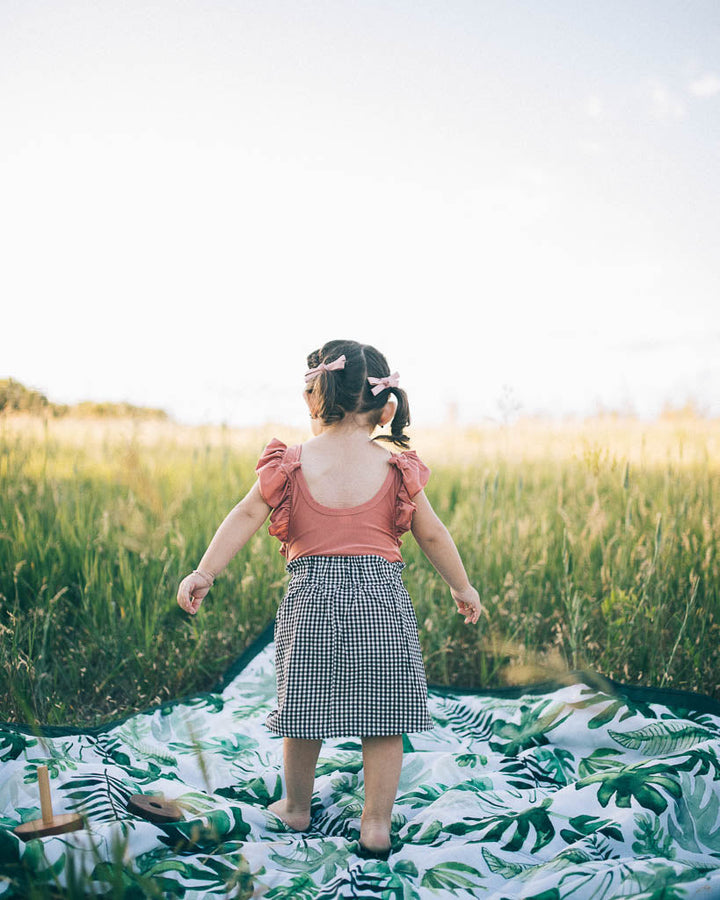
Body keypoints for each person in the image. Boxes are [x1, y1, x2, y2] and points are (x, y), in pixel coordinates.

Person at [177, 339, 483, 859]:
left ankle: (296, 806)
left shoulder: (291, 464)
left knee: (303, 712)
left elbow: (246, 515)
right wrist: (462, 586)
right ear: (386, 406)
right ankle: (376, 825)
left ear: (313, 398)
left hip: (311, 606)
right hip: (381, 608)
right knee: (385, 719)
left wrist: (205, 571)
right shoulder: (397, 466)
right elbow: (432, 533)